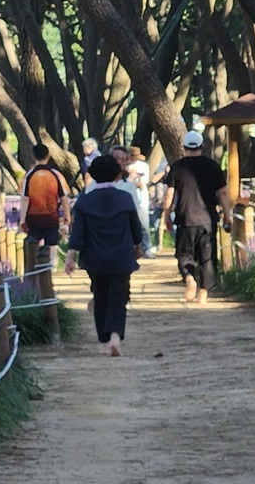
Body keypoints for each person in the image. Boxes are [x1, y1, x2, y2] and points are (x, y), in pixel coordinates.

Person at [67, 152, 145, 355]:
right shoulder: (125, 198)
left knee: (100, 296)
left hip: (95, 258)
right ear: (117, 174)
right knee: (119, 297)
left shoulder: (84, 201)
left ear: (92, 175)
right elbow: (135, 228)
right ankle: (115, 336)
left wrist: (70, 257)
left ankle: (104, 339)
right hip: (121, 256)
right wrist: (137, 246)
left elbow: (77, 233)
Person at [160, 129, 232, 304]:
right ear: (202, 146)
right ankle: (203, 292)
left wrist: (166, 215)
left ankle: (189, 278)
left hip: (185, 218)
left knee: (185, 253)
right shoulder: (213, 166)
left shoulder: (177, 167)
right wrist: (227, 215)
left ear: (184, 147)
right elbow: (223, 192)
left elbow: (169, 194)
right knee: (207, 256)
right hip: (207, 219)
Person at [20, 143, 69, 277]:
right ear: (48, 156)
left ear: (33, 156)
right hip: (51, 217)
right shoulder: (56, 175)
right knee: (52, 245)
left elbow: (25, 199)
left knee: (33, 245)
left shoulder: (29, 176)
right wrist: (67, 215)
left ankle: (34, 273)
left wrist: (22, 220)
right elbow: (64, 197)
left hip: (33, 218)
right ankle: (52, 271)